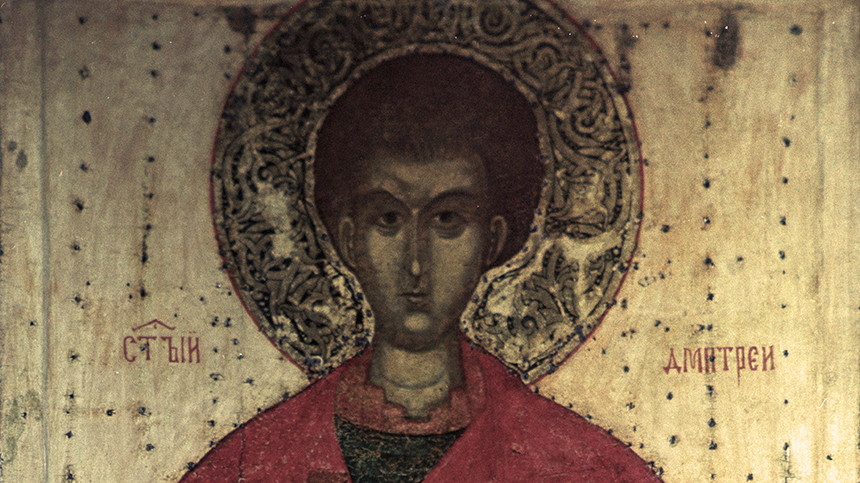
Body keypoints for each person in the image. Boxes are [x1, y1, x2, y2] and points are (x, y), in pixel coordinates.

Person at [181, 54, 662, 483]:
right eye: (388, 220)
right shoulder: (247, 465)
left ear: (492, 241)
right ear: (348, 240)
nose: (415, 263)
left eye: (447, 220)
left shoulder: (589, 468)